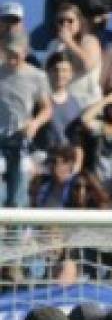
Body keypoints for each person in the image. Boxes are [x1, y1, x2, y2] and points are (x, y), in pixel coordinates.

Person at [0, 31, 51, 208]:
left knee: (19, 194)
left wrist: (35, 124)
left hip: (21, 139)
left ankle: (18, 235)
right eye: (9, 53)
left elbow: (47, 109)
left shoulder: (37, 76)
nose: (12, 59)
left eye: (16, 54)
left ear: (26, 51)